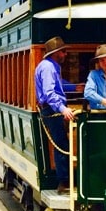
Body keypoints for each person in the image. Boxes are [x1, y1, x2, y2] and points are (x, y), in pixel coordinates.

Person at [34, 36, 76, 191]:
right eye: (63, 51)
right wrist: (63, 109)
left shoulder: (50, 66)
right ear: (56, 53)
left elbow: (59, 85)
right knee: (61, 144)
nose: (65, 55)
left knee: (62, 143)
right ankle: (64, 182)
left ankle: (65, 180)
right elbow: (49, 92)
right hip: (52, 109)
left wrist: (75, 87)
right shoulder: (48, 68)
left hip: (51, 108)